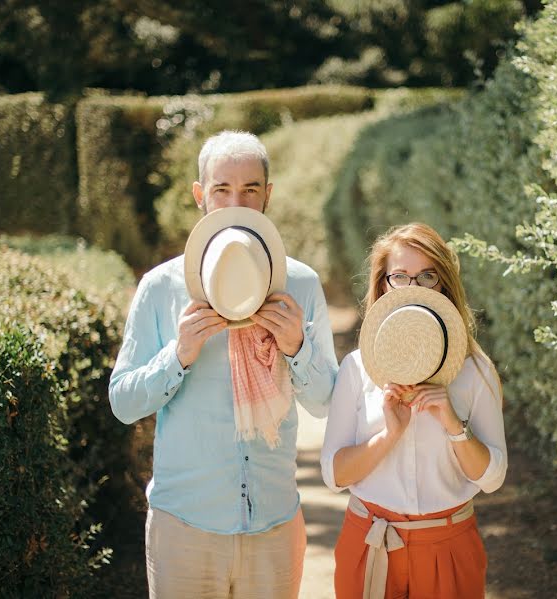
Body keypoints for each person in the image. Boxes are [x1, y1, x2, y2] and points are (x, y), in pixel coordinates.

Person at [109, 130, 338, 599]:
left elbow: (327, 402)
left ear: (268, 196)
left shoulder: (302, 284)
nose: (237, 201)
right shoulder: (160, 287)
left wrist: (298, 347)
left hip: (274, 522)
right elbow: (122, 403)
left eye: (250, 189)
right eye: (222, 189)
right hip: (185, 527)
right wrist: (177, 356)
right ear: (200, 195)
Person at [321, 223, 508, 599]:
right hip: (370, 542)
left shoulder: (476, 371)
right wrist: (389, 436)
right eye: (401, 276)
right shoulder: (357, 369)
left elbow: (492, 478)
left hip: (449, 547)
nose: (414, 288)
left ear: (444, 283)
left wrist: (454, 424)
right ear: (383, 284)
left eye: (427, 275)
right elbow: (334, 475)